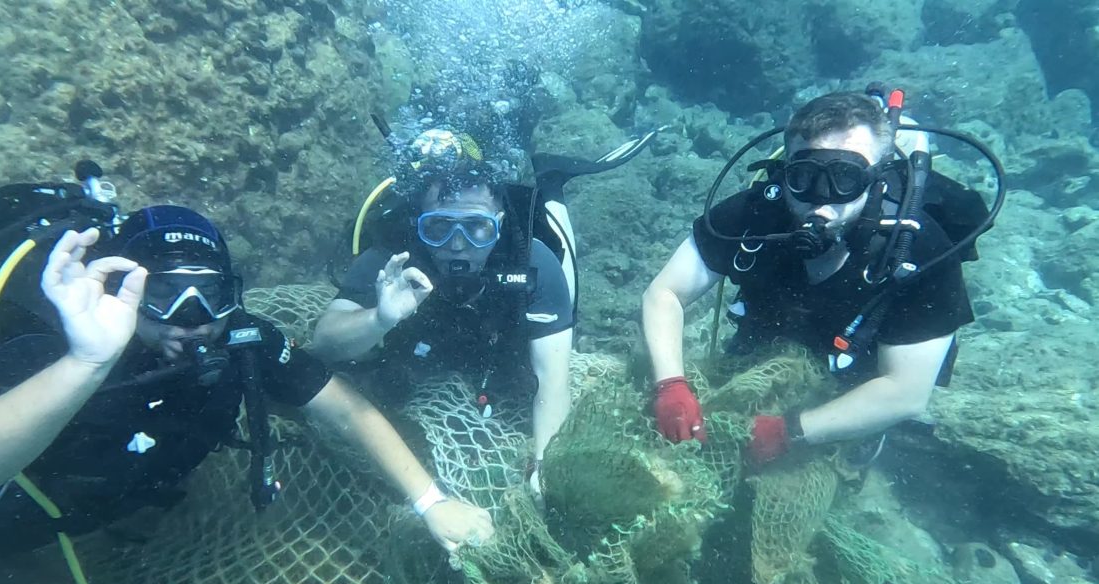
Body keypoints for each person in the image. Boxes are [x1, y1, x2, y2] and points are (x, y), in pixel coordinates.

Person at [0, 206, 493, 556]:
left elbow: (348, 410)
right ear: (119, 287)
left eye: (209, 293)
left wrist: (432, 502)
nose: (189, 316)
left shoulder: (243, 338)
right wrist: (87, 362)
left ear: (231, 294)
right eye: (162, 292)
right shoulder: (55, 344)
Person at [642, 91, 985, 465]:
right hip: (758, 353)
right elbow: (665, 293)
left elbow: (905, 391)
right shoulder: (756, 213)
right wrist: (671, 385)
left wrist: (790, 432)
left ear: (877, 176)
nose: (821, 202)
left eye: (845, 178)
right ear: (786, 170)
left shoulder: (919, 248)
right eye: (805, 177)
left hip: (856, 383)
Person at [312, 124, 657, 493]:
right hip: (434, 343)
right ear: (418, 224)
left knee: (566, 295)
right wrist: (378, 319)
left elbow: (552, 380)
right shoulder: (393, 257)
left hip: (507, 329)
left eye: (477, 228)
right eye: (439, 226)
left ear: (500, 224)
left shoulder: (532, 259)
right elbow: (325, 344)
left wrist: (543, 466)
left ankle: (551, 186)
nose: (457, 245)